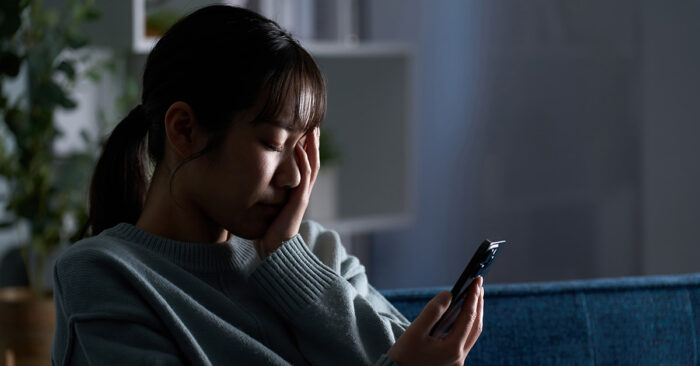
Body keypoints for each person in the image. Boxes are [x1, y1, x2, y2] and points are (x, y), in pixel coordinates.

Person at [51, 5, 484, 366]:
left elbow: (407, 351)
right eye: (274, 144)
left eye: (302, 148)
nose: (296, 176)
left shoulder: (314, 252)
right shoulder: (105, 276)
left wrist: (290, 265)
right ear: (184, 130)